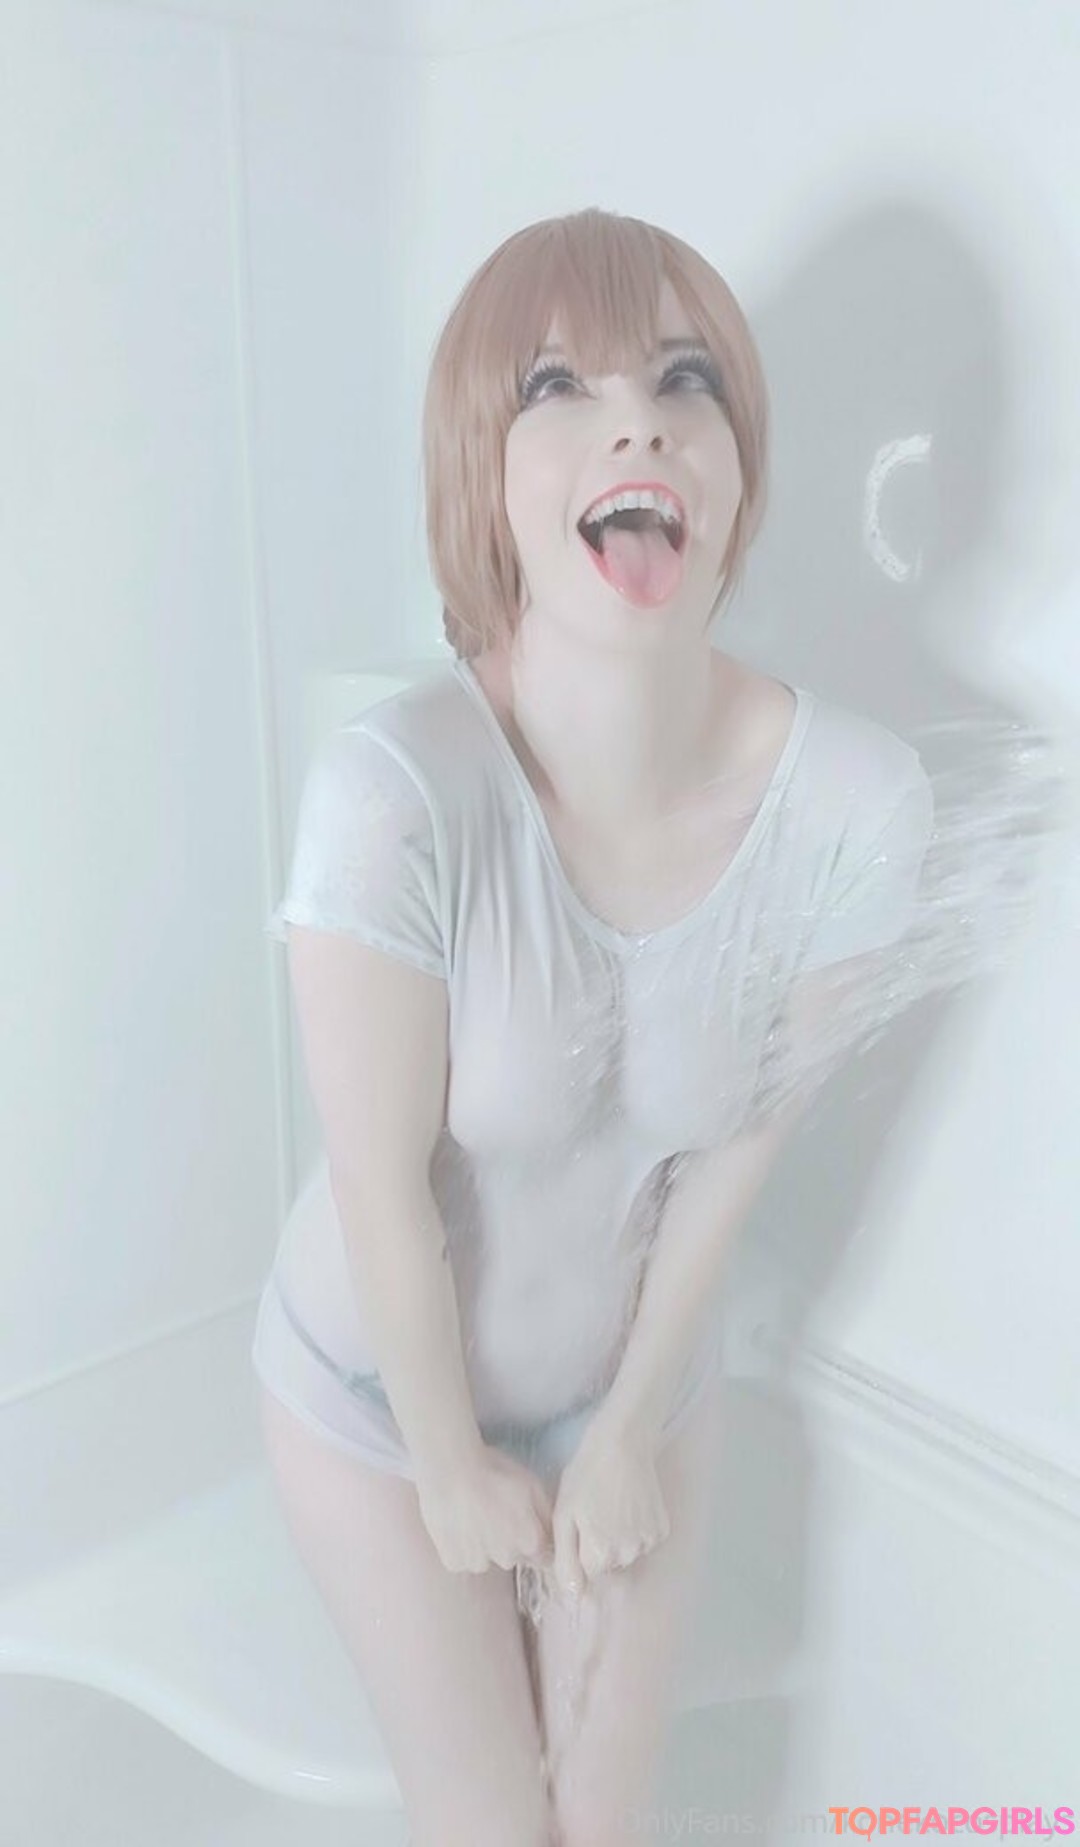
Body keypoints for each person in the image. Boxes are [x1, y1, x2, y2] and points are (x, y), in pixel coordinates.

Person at [251, 208, 936, 1847]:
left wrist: (625, 1431)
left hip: (635, 1387)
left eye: (684, 381)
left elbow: (741, 1148)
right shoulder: (397, 797)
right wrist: (447, 1464)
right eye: (558, 384)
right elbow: (380, 1187)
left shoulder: (858, 804)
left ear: (738, 472)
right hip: (374, 1396)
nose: (639, 422)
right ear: (478, 475)